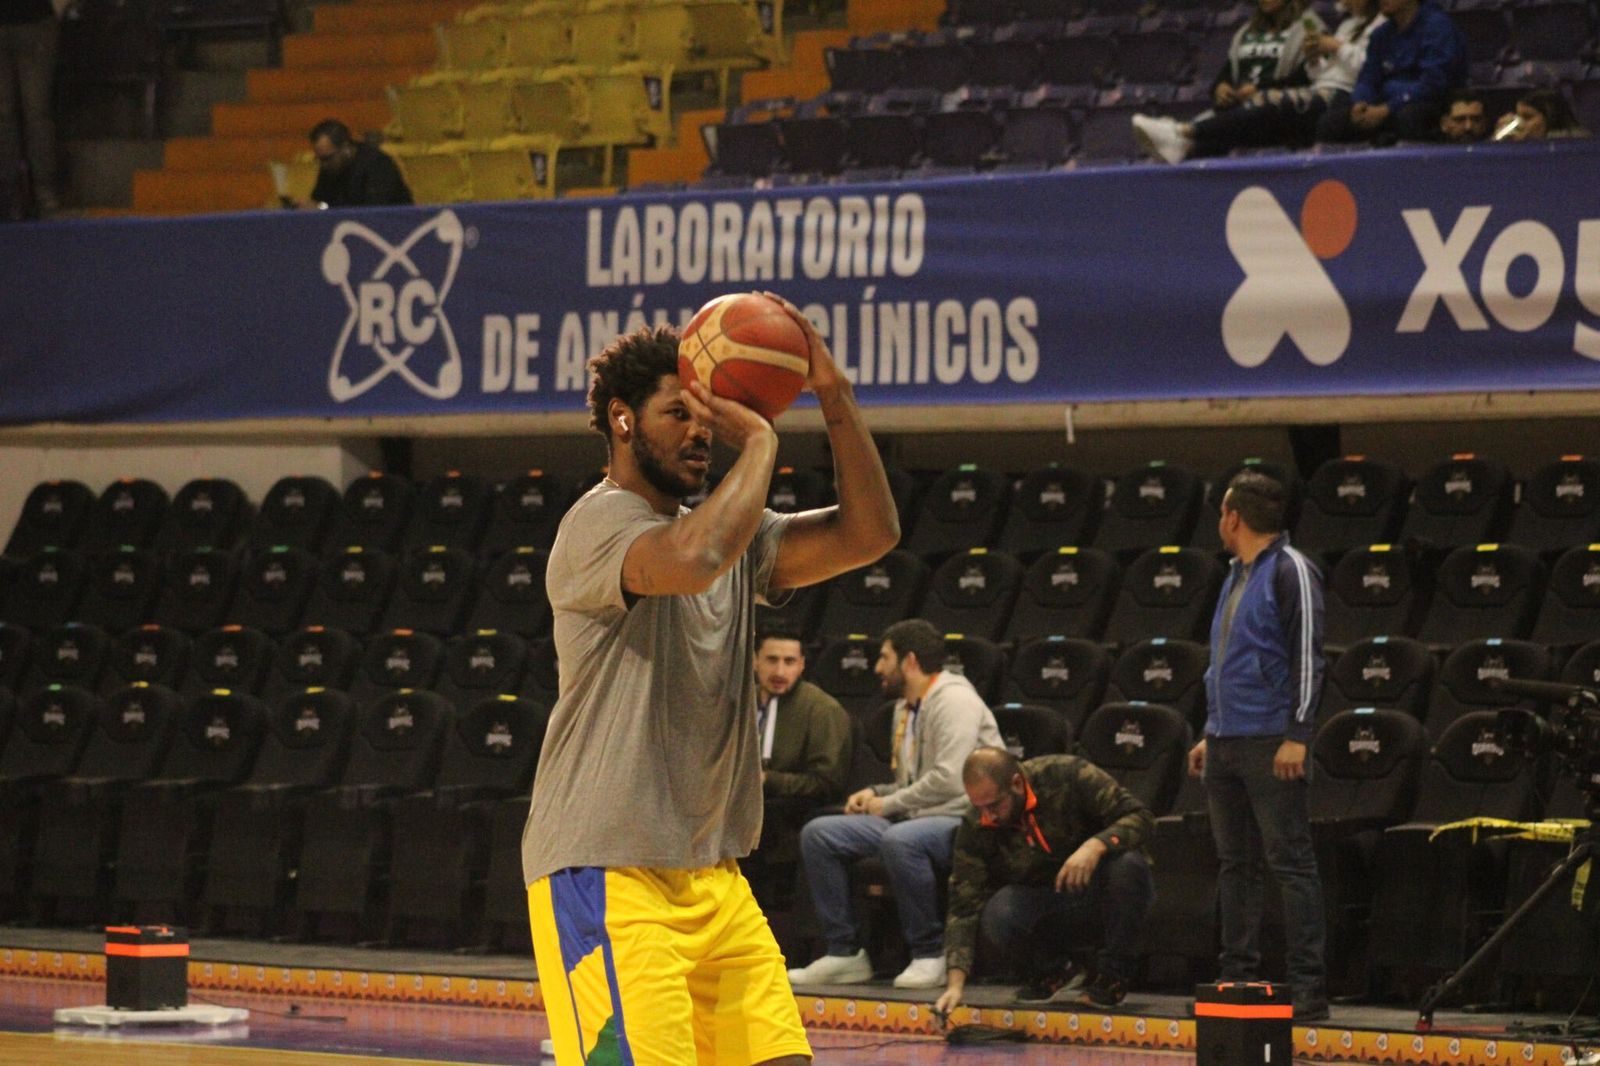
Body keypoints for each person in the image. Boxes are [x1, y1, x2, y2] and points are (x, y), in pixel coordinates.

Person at [522, 304, 900, 1065]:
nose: (701, 431)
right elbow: (693, 557)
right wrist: (760, 437)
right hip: (607, 875)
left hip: (712, 877)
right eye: (679, 414)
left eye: (708, 415)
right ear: (623, 422)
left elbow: (871, 534)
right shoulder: (597, 525)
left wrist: (833, 395)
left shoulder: (733, 535)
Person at [787, 619, 1003, 991]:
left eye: (885, 657)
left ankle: (930, 953)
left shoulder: (955, 700)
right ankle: (845, 953)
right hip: (918, 815)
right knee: (820, 834)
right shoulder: (905, 707)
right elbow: (912, 782)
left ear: (910, 661)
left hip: (965, 816)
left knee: (901, 840)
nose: (877, 667)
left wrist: (886, 803)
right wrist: (874, 792)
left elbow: (950, 780)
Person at [1187, 471, 1329, 1021]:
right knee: (1234, 865)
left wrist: (1298, 733)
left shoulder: (1291, 569)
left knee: (1290, 864)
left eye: (1220, 514)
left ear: (1231, 517)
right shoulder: (1235, 574)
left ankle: (1308, 990)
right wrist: (1209, 728)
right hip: (1226, 739)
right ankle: (1236, 980)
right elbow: (1229, 662)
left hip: (1272, 739)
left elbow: (1310, 656)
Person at [934, 748, 1155, 1013]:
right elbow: (963, 904)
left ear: (1016, 784)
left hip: (1104, 892)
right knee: (999, 912)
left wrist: (1096, 846)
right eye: (979, 807)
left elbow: (1141, 817)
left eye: (994, 805)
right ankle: (1054, 972)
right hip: (1050, 903)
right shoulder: (977, 822)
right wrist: (955, 986)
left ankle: (1113, 977)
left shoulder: (1066, 774)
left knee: (1128, 866)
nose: (988, 816)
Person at [1133, 0, 1380, 162]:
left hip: (1305, 102)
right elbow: (1320, 72)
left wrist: (1331, 48)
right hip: (1258, 102)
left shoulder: (1310, 24)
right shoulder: (1347, 25)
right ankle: (1180, 142)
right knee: (1227, 122)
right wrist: (1221, 86)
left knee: (1264, 103)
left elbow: (1360, 68)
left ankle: (1183, 132)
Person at [742, 628, 852, 913]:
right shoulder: (739, 701)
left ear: (802, 664)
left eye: (789, 661)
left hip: (788, 817)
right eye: (771, 660)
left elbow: (828, 783)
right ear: (754, 661)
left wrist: (769, 780)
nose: (780, 670)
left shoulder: (822, 709)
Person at [1316, 0, 1466, 144]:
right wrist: (1361, 104)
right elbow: (1368, 79)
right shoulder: (1380, 34)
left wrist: (1388, 108)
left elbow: (1433, 84)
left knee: (1409, 118)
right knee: (1330, 122)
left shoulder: (1438, 26)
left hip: (1426, 102)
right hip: (1384, 104)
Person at [0, 0, 64, 220]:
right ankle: (15, 193)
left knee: (34, 112)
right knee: (14, 114)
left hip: (36, 19)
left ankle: (40, 191)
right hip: (35, 19)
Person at [303, 119, 412, 209]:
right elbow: (319, 199)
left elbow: (372, 211)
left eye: (327, 158)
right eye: (320, 159)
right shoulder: (330, 166)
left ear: (345, 148)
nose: (323, 164)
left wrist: (322, 208)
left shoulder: (377, 163)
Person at [1491, 88, 1589, 141]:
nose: (1519, 124)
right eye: (1518, 117)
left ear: (1551, 117)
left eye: (1527, 117)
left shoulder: (1572, 143)